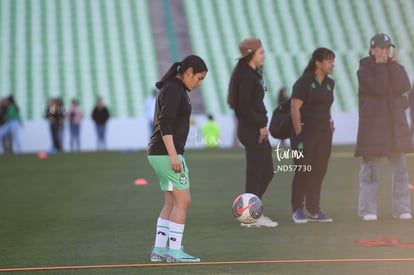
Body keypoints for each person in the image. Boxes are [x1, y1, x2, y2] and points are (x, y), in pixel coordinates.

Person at [147, 55, 208, 263]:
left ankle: (159, 250)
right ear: (188, 71)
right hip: (166, 153)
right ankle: (174, 251)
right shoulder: (174, 89)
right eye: (199, 78)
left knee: (171, 202)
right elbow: (165, 123)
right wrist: (174, 155)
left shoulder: (176, 88)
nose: (200, 83)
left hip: (159, 153)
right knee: (184, 201)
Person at [355, 33, 412, 221]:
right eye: (381, 48)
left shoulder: (394, 67)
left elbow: (403, 85)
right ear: (372, 50)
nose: (385, 52)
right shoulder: (364, 70)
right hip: (373, 128)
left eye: (388, 49)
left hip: (394, 127)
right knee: (370, 171)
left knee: (401, 171)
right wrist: (381, 66)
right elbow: (379, 89)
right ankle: (368, 210)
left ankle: (402, 208)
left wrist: (392, 65)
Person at [227, 38, 278, 228]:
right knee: (256, 173)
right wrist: (260, 125)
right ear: (251, 54)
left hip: (255, 128)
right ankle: (249, 217)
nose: (264, 56)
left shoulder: (252, 74)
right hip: (251, 130)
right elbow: (244, 107)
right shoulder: (247, 77)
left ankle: (253, 211)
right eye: (261, 52)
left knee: (266, 172)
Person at [290, 48, 336, 223]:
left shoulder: (330, 83)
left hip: (324, 133)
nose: (332, 64)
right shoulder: (304, 82)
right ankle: (297, 209)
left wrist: (330, 123)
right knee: (304, 170)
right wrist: (299, 132)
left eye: (333, 60)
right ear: (318, 63)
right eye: (329, 60)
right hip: (305, 133)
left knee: (319, 171)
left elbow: (325, 107)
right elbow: (295, 107)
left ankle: (314, 209)